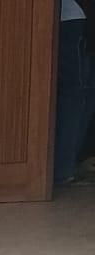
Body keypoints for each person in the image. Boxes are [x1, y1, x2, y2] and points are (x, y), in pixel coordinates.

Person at [56, 0, 94, 185]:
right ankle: (63, 168)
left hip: (77, 17)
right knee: (75, 93)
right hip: (73, 16)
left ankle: (67, 164)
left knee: (82, 93)